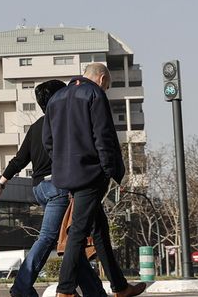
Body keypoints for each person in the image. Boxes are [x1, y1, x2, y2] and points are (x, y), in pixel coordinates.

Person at [0, 80, 104, 297]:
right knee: (49, 237)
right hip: (59, 187)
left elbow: (19, 159)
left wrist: (0, 184)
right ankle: (21, 285)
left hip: (39, 189)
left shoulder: (35, 127)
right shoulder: (64, 123)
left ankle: (95, 291)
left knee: (72, 242)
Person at [44, 63, 146, 297]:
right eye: (107, 86)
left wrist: (61, 163)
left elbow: (48, 140)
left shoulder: (56, 98)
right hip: (90, 173)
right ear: (101, 79)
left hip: (66, 174)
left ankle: (120, 286)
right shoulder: (94, 94)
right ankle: (65, 290)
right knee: (78, 231)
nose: (106, 89)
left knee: (99, 230)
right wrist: (111, 170)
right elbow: (104, 135)